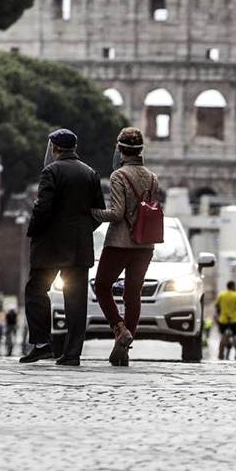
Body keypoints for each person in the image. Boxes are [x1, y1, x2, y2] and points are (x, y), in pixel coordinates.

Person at [21, 128, 106, 367]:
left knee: (36, 290)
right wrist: (82, 230)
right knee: (76, 299)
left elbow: (43, 207)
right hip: (79, 247)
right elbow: (98, 211)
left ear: (54, 149)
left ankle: (41, 344)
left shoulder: (51, 171)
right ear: (75, 148)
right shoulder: (91, 173)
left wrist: (34, 229)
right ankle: (72, 353)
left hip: (50, 246)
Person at [91, 127, 159, 367]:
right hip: (145, 244)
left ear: (120, 149)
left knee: (101, 285)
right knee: (133, 294)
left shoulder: (118, 176)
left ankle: (119, 329)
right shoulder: (153, 177)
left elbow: (117, 213)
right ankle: (125, 347)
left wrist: (94, 213)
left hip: (120, 242)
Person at [215, 281, 236, 360]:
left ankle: (220, 354)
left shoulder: (221, 295)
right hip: (234, 319)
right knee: (235, 336)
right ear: (233, 286)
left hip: (223, 318)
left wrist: (221, 311)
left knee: (223, 336)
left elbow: (217, 305)